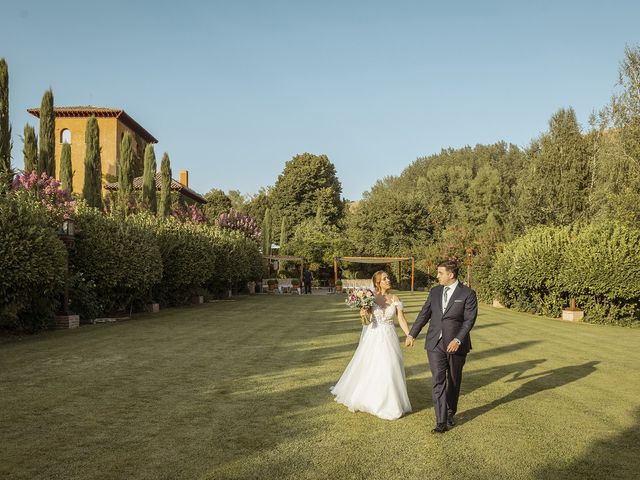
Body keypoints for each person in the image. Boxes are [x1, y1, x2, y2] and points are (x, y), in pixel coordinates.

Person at [406, 259, 477, 433]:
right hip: (434, 343)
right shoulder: (435, 291)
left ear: (451, 275)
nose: (437, 276)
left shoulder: (467, 293)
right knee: (438, 380)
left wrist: (458, 340)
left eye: (440, 273)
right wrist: (412, 334)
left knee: (453, 380)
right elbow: (424, 314)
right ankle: (441, 421)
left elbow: (469, 320)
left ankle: (450, 412)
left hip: (456, 345)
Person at [331, 271, 412, 420]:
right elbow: (367, 320)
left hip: (389, 336)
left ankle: (391, 402)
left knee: (391, 365)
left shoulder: (395, 298)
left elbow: (401, 318)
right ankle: (374, 400)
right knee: (373, 366)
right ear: (377, 283)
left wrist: (409, 334)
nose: (388, 280)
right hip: (373, 336)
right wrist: (363, 313)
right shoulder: (370, 297)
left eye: (388, 278)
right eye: (384, 279)